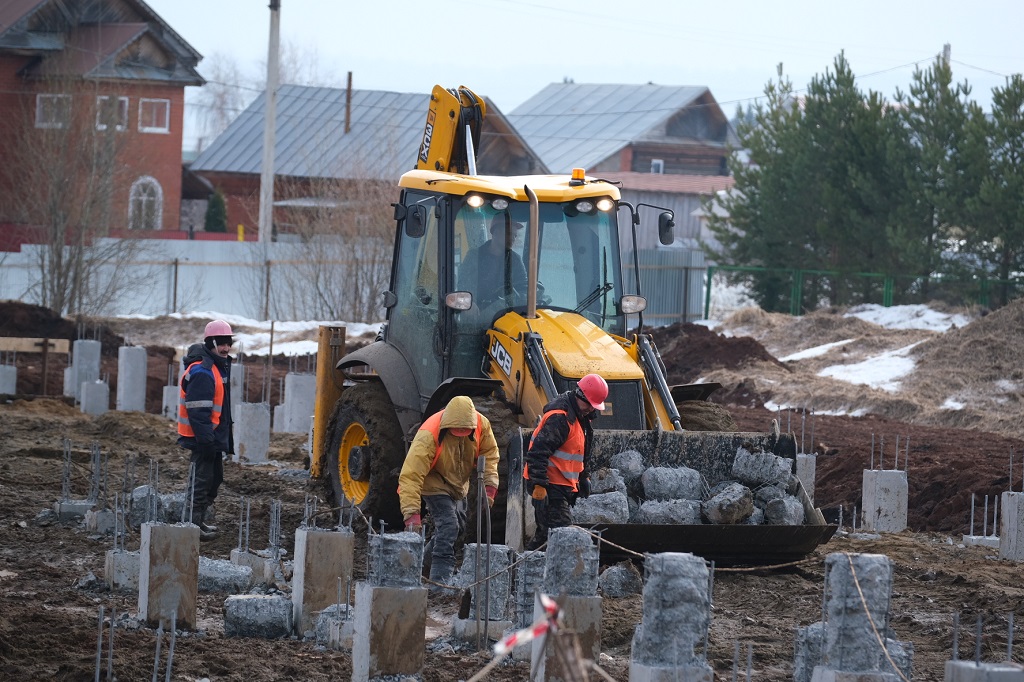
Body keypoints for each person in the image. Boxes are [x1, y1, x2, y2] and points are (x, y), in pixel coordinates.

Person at [398, 395, 499, 586]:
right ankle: (439, 579)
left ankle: (420, 565)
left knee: (457, 529)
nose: (460, 433)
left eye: (464, 431)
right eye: (456, 431)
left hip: (459, 485)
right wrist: (411, 515)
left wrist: (490, 487)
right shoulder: (429, 435)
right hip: (434, 483)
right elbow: (410, 476)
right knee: (449, 525)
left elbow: (490, 456)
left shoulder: (481, 425)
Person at [523, 373, 608, 550]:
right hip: (548, 485)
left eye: (594, 407)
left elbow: (579, 452)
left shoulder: (581, 419)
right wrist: (539, 486)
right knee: (561, 536)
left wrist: (584, 477)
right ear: (579, 395)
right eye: (589, 405)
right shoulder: (560, 418)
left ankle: (524, 570)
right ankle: (529, 571)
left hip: (561, 485)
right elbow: (537, 453)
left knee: (546, 537)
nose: (591, 410)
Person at [177, 319, 235, 539]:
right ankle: (192, 525)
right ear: (210, 343)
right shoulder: (203, 371)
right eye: (221, 343)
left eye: (228, 343)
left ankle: (197, 521)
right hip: (203, 439)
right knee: (201, 481)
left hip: (212, 438)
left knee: (213, 479)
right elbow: (198, 413)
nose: (226, 347)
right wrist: (207, 440)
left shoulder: (217, 368)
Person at [458, 214, 528, 307]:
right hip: (478, 313)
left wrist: (525, 298)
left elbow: (523, 286)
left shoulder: (515, 260)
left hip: (506, 312)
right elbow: (464, 284)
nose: (513, 238)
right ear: (495, 232)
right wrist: (470, 303)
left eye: (515, 236)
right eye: (509, 234)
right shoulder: (474, 256)